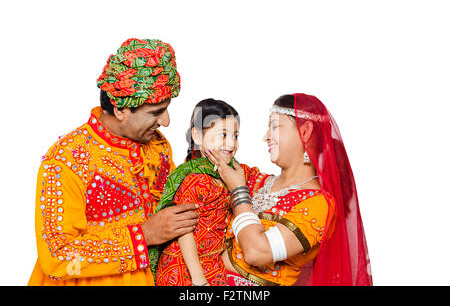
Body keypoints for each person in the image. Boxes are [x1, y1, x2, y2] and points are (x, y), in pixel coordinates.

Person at [28, 38, 199, 286]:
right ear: (120, 109)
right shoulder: (67, 159)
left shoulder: (159, 148)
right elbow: (57, 256)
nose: (166, 121)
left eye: (166, 108)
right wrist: (144, 236)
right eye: (155, 112)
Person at [206, 93, 372, 286]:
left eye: (275, 126)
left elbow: (257, 253)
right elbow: (208, 164)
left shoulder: (319, 204)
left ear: (305, 132)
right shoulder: (255, 180)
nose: (266, 136)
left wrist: (239, 192)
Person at [153, 98, 259, 286]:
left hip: (213, 265)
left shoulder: (233, 172)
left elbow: (263, 180)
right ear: (198, 136)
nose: (231, 143)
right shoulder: (195, 178)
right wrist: (199, 279)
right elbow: (184, 231)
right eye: (223, 135)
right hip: (184, 268)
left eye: (235, 136)